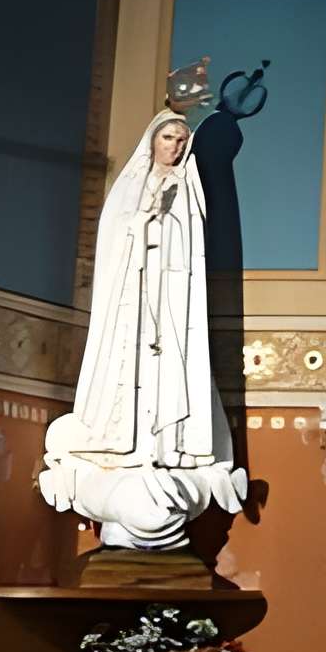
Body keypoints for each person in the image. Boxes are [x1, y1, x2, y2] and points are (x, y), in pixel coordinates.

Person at [39, 110, 249, 547]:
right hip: (132, 301)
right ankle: (124, 446)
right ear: (152, 139)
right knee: (126, 374)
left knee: (168, 373)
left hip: (171, 300)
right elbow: (116, 241)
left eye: (181, 140)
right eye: (168, 137)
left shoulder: (190, 190)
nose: (174, 146)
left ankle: (167, 450)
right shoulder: (129, 188)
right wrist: (142, 223)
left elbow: (190, 252)